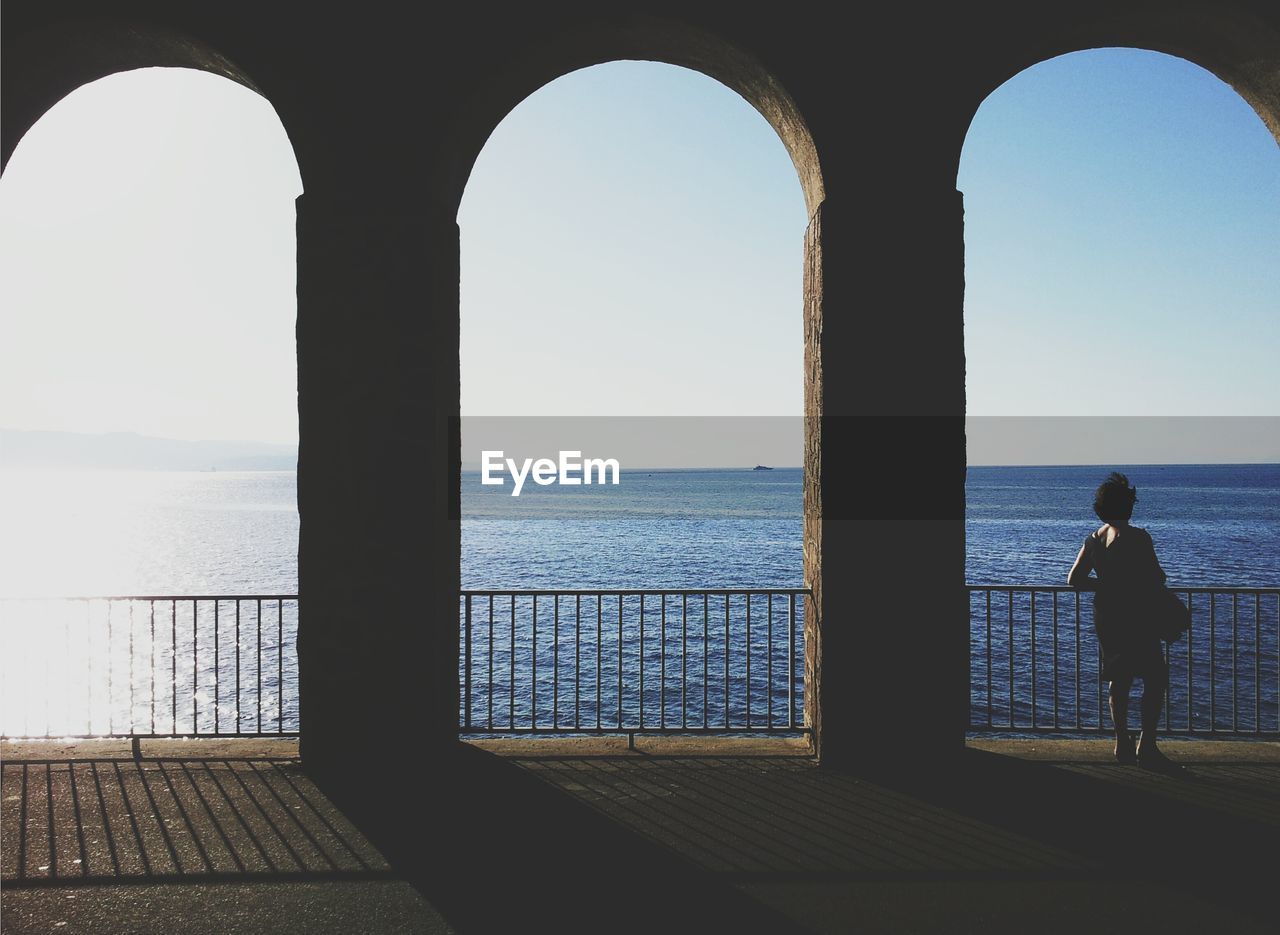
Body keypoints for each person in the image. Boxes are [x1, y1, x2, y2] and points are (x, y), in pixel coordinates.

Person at [1067, 472, 1178, 770]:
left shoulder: (1094, 539)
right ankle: (1148, 746)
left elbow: (1074, 579)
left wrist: (1106, 586)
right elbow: (1157, 576)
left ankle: (1121, 743)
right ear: (1126, 505)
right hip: (1136, 617)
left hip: (1107, 616)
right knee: (1154, 679)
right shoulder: (1139, 537)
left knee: (1119, 679)